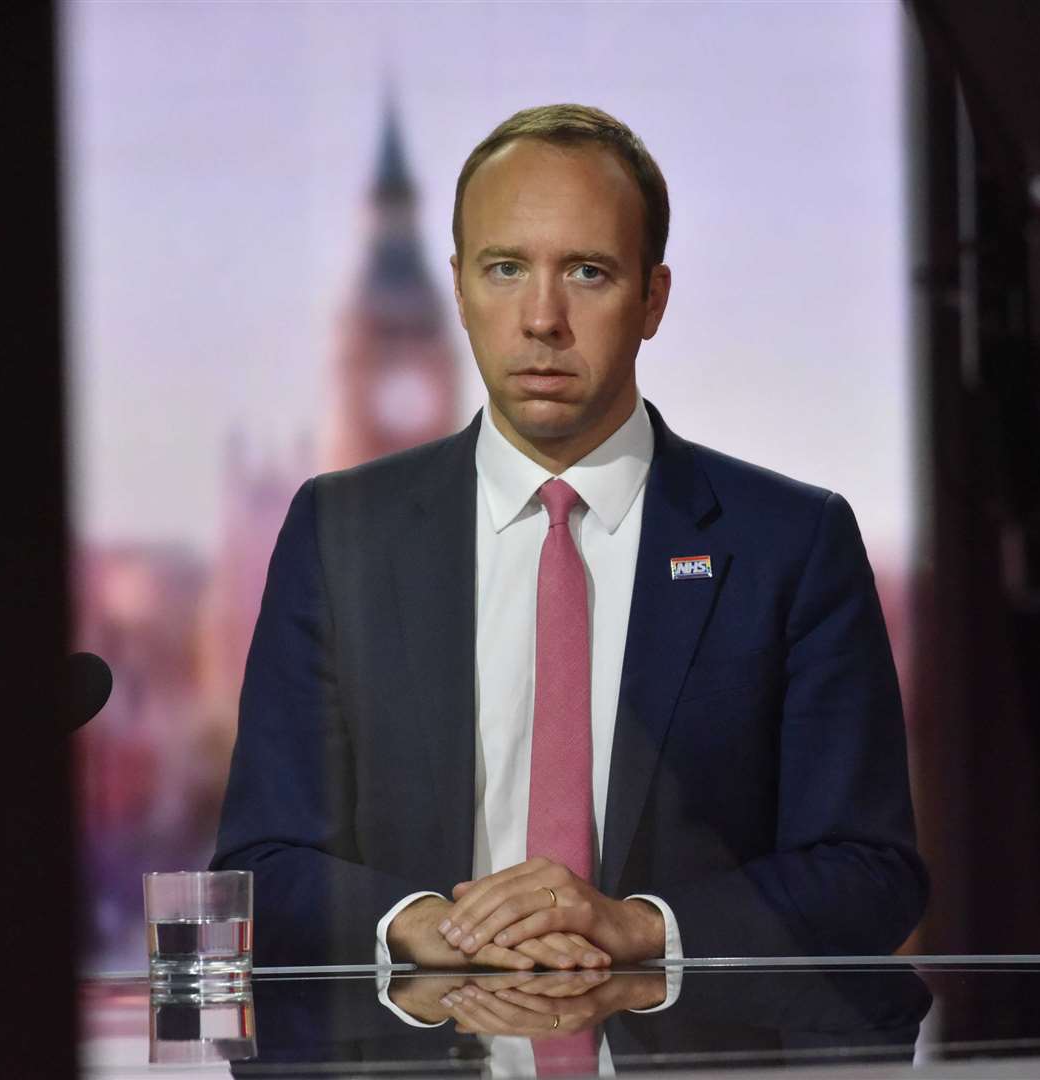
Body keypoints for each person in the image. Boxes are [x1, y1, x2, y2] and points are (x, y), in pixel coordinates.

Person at [212, 104, 927, 976]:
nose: (541, 317)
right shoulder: (339, 533)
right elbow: (263, 860)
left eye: (586, 272)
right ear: (460, 289)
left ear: (652, 299)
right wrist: (417, 922)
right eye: (505, 268)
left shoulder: (791, 542)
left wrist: (643, 928)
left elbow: (869, 874)